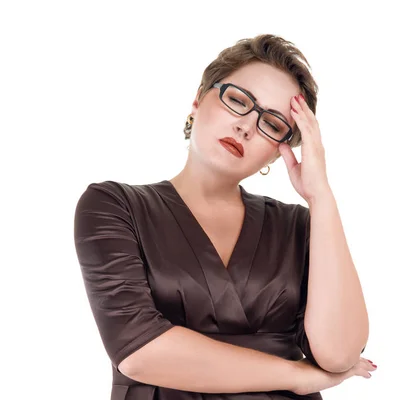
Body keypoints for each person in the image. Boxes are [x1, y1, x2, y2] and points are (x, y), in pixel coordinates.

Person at [73, 34, 374, 400]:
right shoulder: (114, 206)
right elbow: (139, 352)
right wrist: (295, 375)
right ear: (198, 100)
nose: (246, 126)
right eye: (238, 100)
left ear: (277, 154)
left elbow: (340, 355)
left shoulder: (299, 227)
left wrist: (321, 196)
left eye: (274, 124)